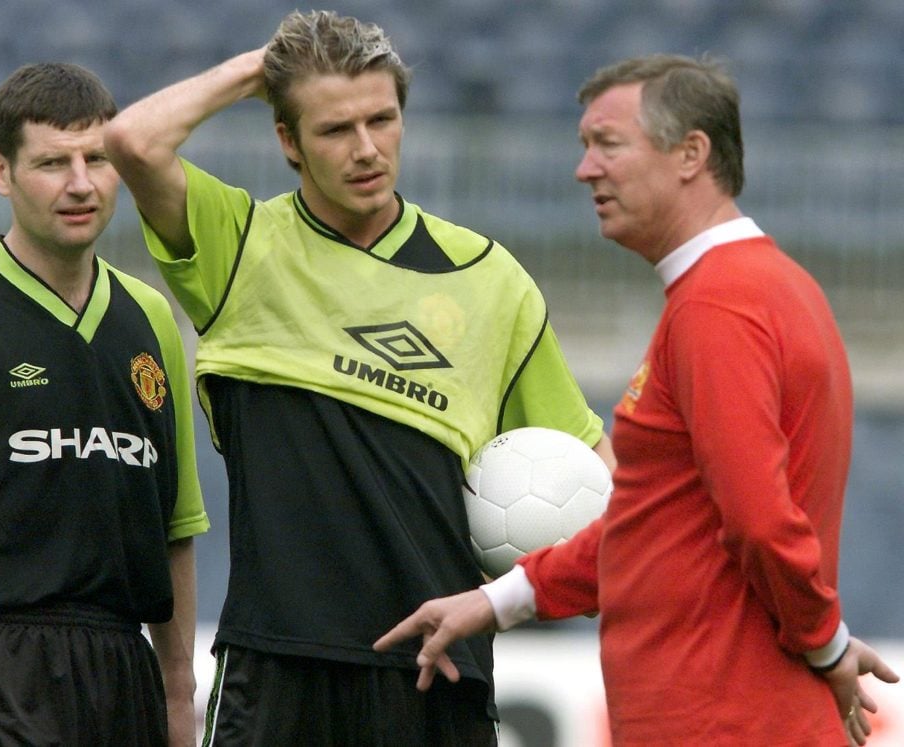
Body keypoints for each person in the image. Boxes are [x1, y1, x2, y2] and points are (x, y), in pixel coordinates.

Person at [105, 9, 614, 745]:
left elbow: (602, 483)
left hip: (438, 671)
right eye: (336, 129)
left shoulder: (490, 279)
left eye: (383, 119)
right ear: (288, 140)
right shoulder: (240, 248)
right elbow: (131, 140)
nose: (367, 149)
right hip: (278, 666)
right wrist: (264, 70)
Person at [375, 54, 900, 746]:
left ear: (691, 154)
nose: (585, 169)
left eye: (607, 144)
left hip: (718, 718)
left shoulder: (723, 305)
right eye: (584, 147)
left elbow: (759, 518)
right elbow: (657, 524)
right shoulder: (758, 289)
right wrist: (494, 600)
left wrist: (825, 643)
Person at [0, 62, 210, 746]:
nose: (81, 183)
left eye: (97, 159)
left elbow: (174, 527)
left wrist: (180, 695)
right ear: (1, 171)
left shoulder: (153, 320)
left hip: (125, 669)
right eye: (53, 163)